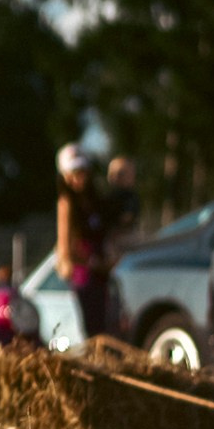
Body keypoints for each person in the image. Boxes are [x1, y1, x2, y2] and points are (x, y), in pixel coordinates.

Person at [55, 143, 111, 337]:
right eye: (73, 172)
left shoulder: (93, 201)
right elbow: (65, 243)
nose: (79, 177)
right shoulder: (67, 203)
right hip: (85, 273)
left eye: (82, 171)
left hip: (100, 270)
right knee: (93, 327)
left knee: (104, 323)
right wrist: (88, 261)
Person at [105, 155, 142, 265]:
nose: (115, 177)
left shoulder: (130, 198)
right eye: (112, 173)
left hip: (124, 241)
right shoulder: (108, 197)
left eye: (121, 174)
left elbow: (126, 218)